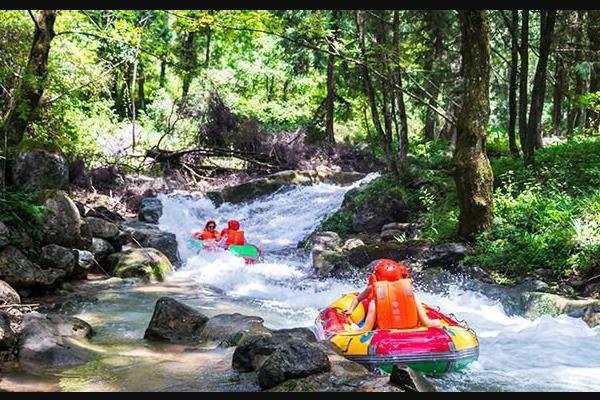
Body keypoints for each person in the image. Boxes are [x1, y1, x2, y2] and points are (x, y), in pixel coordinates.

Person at [343, 259, 440, 333]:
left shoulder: (373, 288)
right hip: (410, 325)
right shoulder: (407, 289)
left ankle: (364, 328)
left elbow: (358, 298)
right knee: (413, 297)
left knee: (374, 301)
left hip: (383, 326)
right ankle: (428, 322)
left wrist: (351, 310)